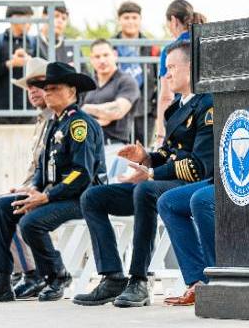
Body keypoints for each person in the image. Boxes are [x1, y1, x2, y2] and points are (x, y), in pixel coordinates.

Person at [73, 41, 213, 308]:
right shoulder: (174, 109)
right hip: (160, 180)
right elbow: (169, 152)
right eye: (166, 68)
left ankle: (138, 280)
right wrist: (145, 157)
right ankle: (112, 277)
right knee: (93, 197)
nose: (167, 75)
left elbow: (198, 167)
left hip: (190, 185)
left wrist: (150, 172)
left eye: (172, 68)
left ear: (192, 68)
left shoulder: (208, 105)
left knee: (145, 190)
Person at [0, 62, 106, 303]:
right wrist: (33, 189)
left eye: (53, 88)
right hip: (55, 195)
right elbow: (44, 166)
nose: (47, 93)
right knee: (1, 207)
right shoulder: (54, 123)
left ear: (72, 92)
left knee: (31, 222)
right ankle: (0, 280)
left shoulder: (79, 124)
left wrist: (47, 196)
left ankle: (56, 275)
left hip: (80, 197)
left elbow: (80, 173)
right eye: (46, 88)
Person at [0, 57, 51, 299]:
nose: (32, 90)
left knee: (0, 206)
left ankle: (32, 274)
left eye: (38, 84)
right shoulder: (42, 119)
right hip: (38, 187)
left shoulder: (57, 119)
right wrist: (25, 186)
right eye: (29, 85)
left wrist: (33, 189)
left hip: (53, 192)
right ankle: (23, 273)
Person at [156, 180, 215, 306]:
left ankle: (218, 279)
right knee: (167, 202)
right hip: (218, 176)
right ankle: (198, 282)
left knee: (201, 200)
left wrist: (153, 173)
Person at [81, 39, 140, 154]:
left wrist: (87, 109)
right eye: (97, 57)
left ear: (115, 55)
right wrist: (101, 116)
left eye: (106, 55)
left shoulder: (126, 81)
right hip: (86, 147)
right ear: (91, 60)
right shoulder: (88, 84)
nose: (102, 60)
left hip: (113, 147)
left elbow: (118, 111)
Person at [114, 1, 159, 144]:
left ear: (140, 20)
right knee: (118, 155)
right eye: (126, 17)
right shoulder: (110, 46)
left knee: (142, 156)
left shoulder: (151, 47)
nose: (130, 22)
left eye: (134, 17)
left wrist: (155, 111)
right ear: (119, 20)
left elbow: (160, 80)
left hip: (144, 112)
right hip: (117, 111)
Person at [155, 0, 199, 141]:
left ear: (173, 20)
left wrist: (161, 135)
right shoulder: (205, 42)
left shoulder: (171, 51)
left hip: (184, 116)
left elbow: (166, 96)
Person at [0, 5, 37, 124]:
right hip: (0, 110)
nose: (30, 24)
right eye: (26, 20)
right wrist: (9, 64)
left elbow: (44, 70)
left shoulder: (34, 43)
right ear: (14, 18)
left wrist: (30, 61)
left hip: (28, 110)